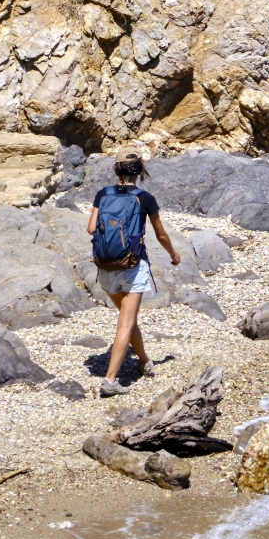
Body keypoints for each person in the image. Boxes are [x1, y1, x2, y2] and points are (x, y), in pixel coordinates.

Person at [86, 152, 179, 397]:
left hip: (106, 266)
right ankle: (110, 380)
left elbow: (91, 228)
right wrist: (174, 254)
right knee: (126, 323)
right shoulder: (145, 198)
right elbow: (160, 235)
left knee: (129, 319)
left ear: (117, 170)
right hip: (132, 265)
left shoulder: (103, 194)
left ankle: (145, 362)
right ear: (139, 172)